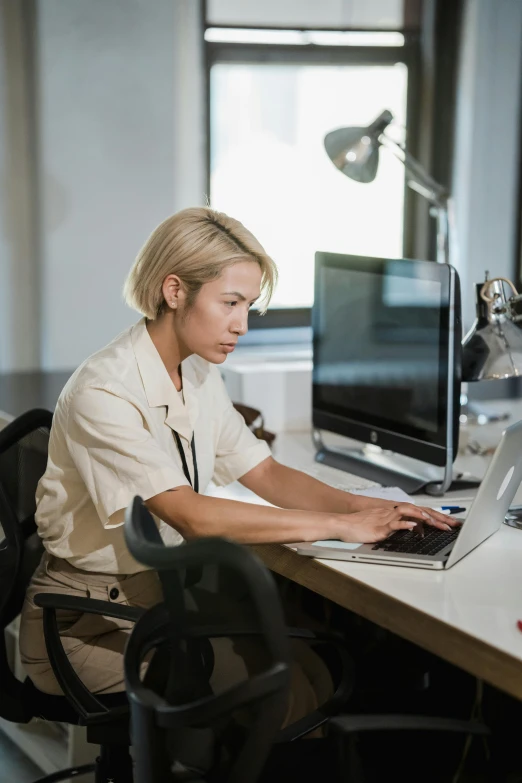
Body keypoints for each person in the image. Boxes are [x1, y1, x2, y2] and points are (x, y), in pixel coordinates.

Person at [19, 207, 456, 725]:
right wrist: (341, 526)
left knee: (314, 669)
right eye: (230, 303)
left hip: (153, 601)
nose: (242, 325)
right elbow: (192, 516)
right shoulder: (105, 391)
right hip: (85, 623)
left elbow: (266, 473)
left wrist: (374, 508)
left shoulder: (196, 371)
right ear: (175, 290)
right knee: (286, 692)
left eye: (248, 306)